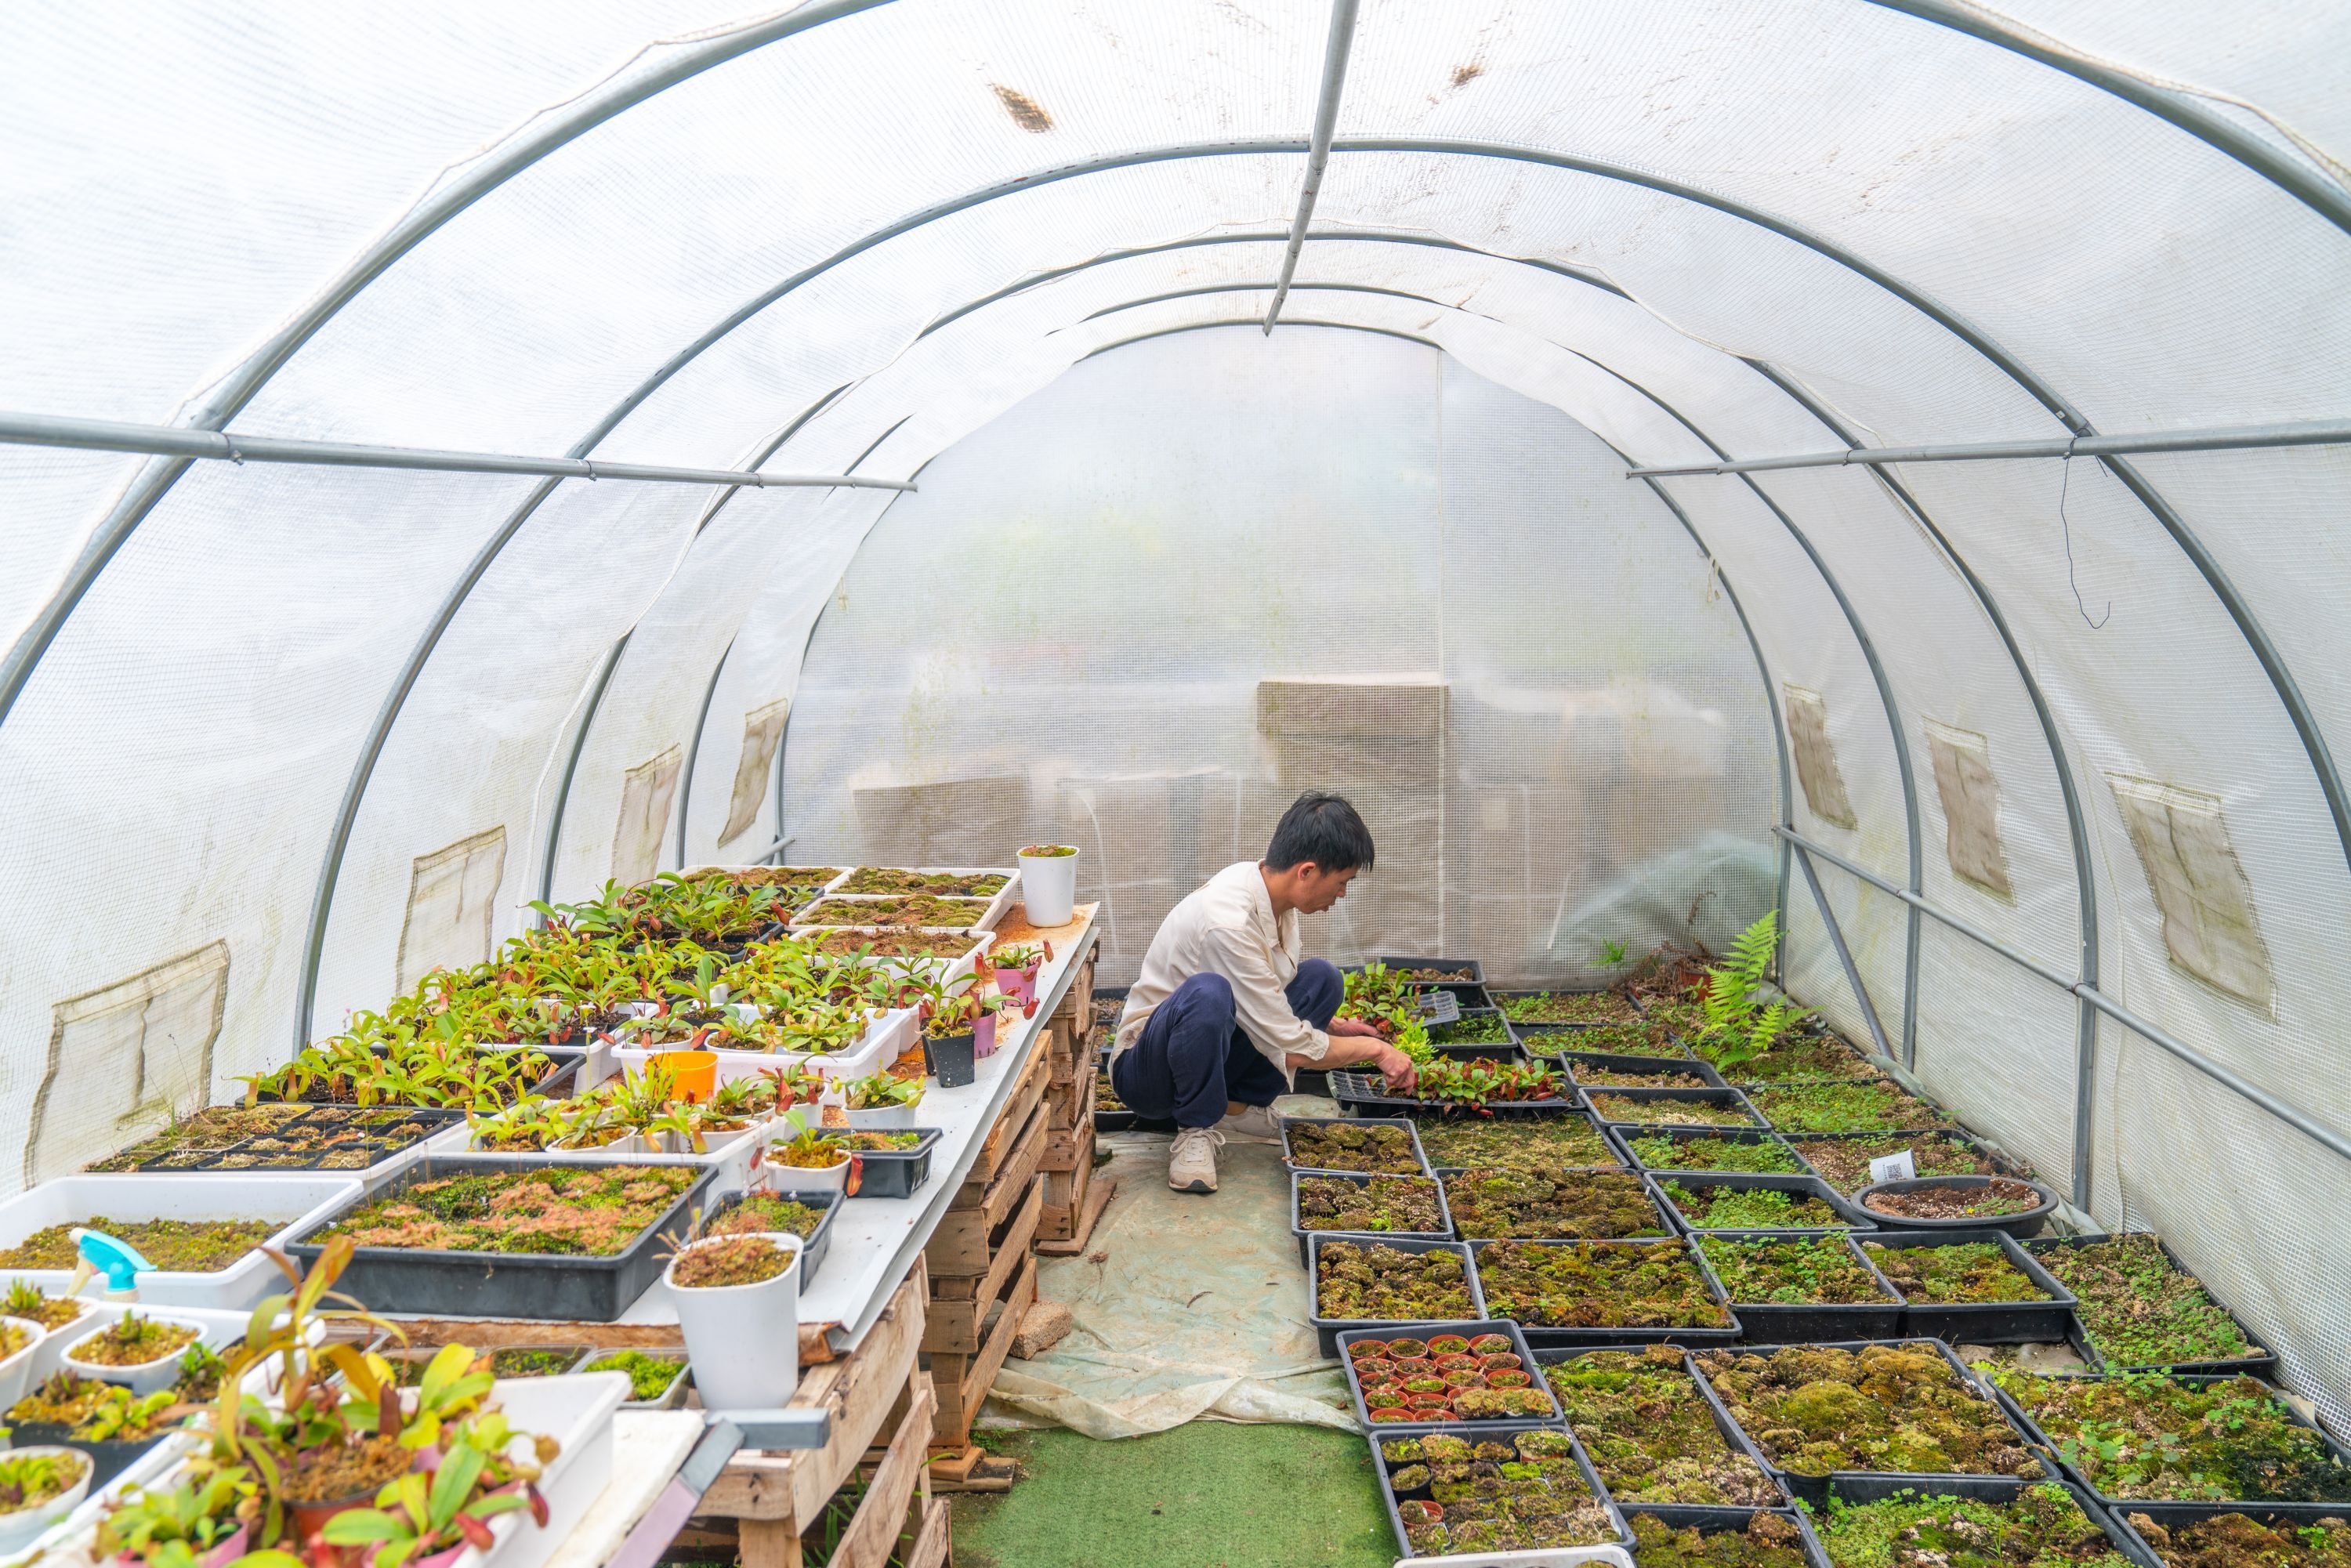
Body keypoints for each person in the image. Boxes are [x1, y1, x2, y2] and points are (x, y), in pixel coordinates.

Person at [1108, 791, 1420, 1193]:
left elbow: (1265, 996)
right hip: (1149, 1073)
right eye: (1341, 882)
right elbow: (1290, 1047)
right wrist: (1378, 1051)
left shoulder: (1272, 896)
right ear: (1307, 871)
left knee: (1322, 979)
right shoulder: (1228, 922)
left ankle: (1237, 1108)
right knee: (1209, 992)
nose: (1342, 894)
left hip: (1207, 1048)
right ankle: (1194, 1129)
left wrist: (1335, 1027)